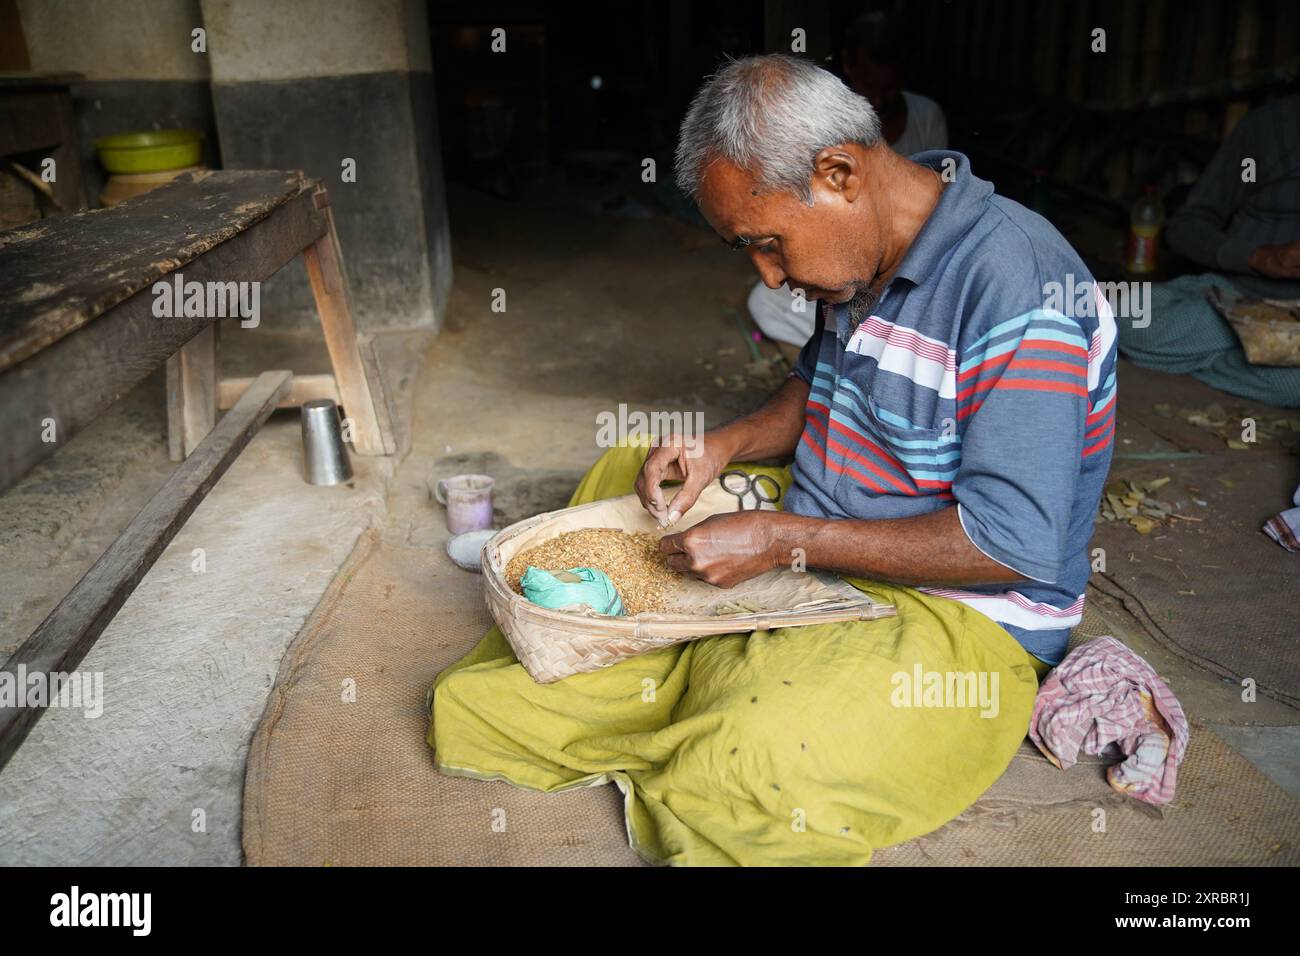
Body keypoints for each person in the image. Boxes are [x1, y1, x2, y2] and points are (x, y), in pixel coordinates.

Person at [428, 56, 1118, 866]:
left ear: (839, 173)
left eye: (765, 244)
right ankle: (694, 672)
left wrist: (786, 541)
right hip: (832, 522)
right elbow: (818, 389)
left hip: (956, 607)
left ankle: (709, 701)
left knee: (744, 774)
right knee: (632, 473)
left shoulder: (1018, 289)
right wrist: (724, 446)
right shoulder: (865, 248)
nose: (768, 277)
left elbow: (1008, 543)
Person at [748, 9, 949, 346]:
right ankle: (856, 347)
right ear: (849, 66)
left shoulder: (927, 116)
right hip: (845, 253)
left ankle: (863, 346)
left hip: (909, 261)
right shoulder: (824, 128)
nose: (882, 100)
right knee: (767, 303)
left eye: (891, 87)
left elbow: (936, 203)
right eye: (871, 86)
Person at [1117, 94, 1300, 406]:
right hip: (1234, 298)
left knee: (1295, 387)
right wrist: (1260, 257)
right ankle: (1247, 352)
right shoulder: (1270, 126)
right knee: (1126, 317)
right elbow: (1187, 226)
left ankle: (1206, 357)